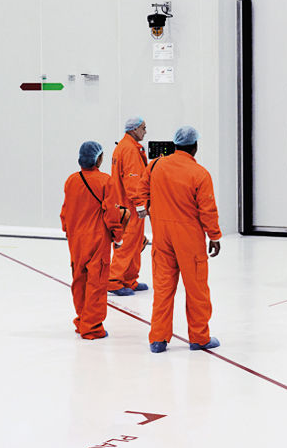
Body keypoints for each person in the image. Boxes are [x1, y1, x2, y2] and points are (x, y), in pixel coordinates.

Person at [133, 126, 222, 353]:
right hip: (189, 239)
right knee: (196, 290)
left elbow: (140, 190)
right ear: (195, 147)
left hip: (162, 236)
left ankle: (158, 339)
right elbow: (207, 209)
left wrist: (144, 209)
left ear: (175, 144)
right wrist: (214, 236)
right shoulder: (199, 174)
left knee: (163, 289)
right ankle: (199, 338)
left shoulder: (154, 166)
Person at [60, 141, 126, 340]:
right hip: (97, 239)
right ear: (98, 158)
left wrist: (68, 231)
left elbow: (65, 212)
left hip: (76, 240)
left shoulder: (71, 180)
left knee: (79, 279)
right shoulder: (106, 181)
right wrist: (118, 236)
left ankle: (82, 319)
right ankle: (93, 327)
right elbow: (111, 214)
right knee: (96, 282)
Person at [107, 117, 149, 296]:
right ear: (134, 130)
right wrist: (140, 204)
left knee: (135, 242)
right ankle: (114, 281)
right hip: (129, 206)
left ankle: (129, 278)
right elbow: (132, 180)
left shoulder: (124, 147)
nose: (145, 132)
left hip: (124, 204)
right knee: (126, 244)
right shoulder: (130, 150)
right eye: (143, 128)